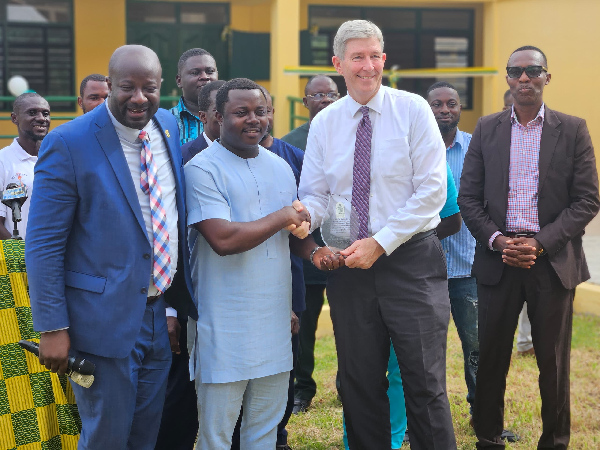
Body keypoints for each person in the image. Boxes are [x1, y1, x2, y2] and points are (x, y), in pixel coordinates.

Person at [25, 44, 198, 450]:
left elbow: (167, 217)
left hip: (158, 315)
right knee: (107, 436)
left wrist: (172, 305)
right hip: (101, 321)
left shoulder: (167, 128)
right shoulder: (69, 142)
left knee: (145, 435)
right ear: (109, 84)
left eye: (149, 88)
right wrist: (52, 327)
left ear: (161, 88)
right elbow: (44, 244)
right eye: (127, 87)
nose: (139, 98)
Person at [298, 20, 456, 450]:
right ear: (338, 64)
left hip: (411, 262)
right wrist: (302, 216)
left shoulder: (413, 110)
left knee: (424, 382)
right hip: (350, 268)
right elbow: (316, 194)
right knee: (359, 381)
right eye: (357, 57)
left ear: (383, 59)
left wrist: (381, 241)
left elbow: (432, 192)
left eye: (375, 56)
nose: (368, 66)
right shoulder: (326, 123)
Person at [458, 45, 600, 449]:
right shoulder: (486, 128)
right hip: (497, 260)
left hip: (551, 263)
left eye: (533, 70)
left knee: (553, 364)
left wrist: (539, 243)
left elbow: (587, 200)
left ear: (546, 77)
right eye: (516, 71)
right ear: (506, 78)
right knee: (491, 360)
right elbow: (468, 198)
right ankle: (488, 438)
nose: (524, 78)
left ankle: (554, 442)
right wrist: (500, 241)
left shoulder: (572, 129)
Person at [185, 78, 334, 449]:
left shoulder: (280, 167)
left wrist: (315, 251)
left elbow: (292, 235)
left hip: (273, 319)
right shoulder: (201, 168)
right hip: (223, 321)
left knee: (265, 428)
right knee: (216, 433)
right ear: (217, 117)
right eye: (241, 112)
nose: (253, 119)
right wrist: (285, 214)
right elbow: (223, 239)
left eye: (261, 111)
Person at [343, 160, 462, 450]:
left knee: (407, 369)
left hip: (409, 273)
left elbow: (452, 219)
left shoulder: (427, 154)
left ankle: (395, 439)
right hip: (356, 272)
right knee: (359, 374)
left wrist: (395, 242)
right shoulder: (344, 148)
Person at [281, 75, 340, 415]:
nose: (325, 99)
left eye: (331, 94)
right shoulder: (292, 144)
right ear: (305, 102)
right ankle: (303, 389)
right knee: (304, 329)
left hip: (350, 248)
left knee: (353, 324)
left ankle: (350, 386)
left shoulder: (352, 134)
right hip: (308, 250)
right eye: (317, 95)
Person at [0, 93, 50, 239]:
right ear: (14, 118)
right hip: (18, 256)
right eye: (32, 112)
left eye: (45, 113)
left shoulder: (59, 159)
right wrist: (19, 257)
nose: (41, 118)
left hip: (57, 256)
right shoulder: (3, 161)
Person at [170, 48, 218, 146]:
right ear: (179, 81)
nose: (205, 76)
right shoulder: (167, 121)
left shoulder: (230, 118)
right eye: (195, 73)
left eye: (210, 71)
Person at [181, 80, 225, 164]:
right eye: (219, 110)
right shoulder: (183, 156)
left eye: (233, 110)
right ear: (203, 117)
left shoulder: (249, 153)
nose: (227, 116)